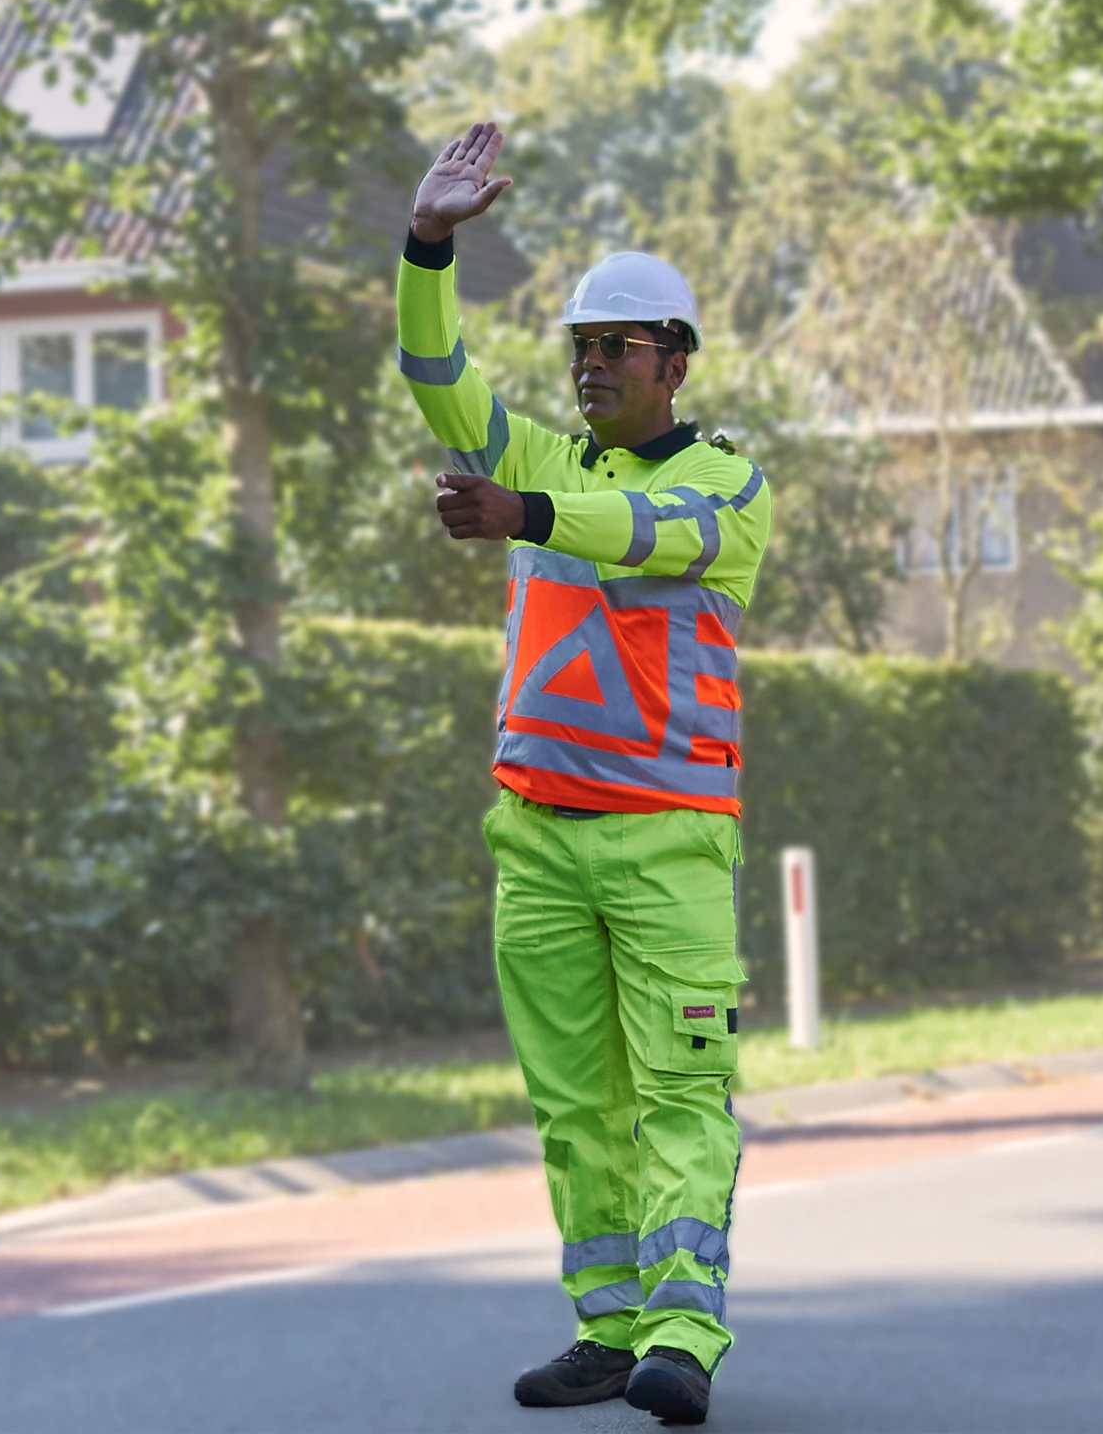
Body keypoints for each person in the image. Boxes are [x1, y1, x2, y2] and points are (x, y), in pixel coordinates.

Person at [398, 121, 771, 1427]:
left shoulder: (728, 481)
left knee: (677, 1093)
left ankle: (682, 1335)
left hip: (670, 839)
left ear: (674, 360)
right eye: (580, 349)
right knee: (573, 1106)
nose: (593, 366)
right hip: (540, 838)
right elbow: (436, 376)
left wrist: (525, 517)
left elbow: (648, 534)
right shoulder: (545, 461)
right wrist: (430, 244)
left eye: (616, 347)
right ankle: (609, 1328)